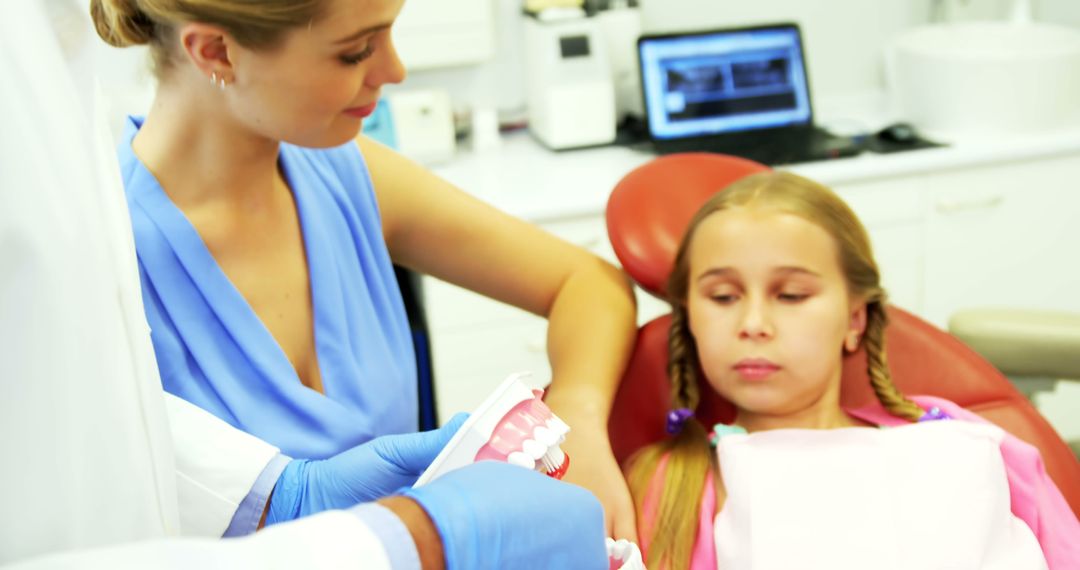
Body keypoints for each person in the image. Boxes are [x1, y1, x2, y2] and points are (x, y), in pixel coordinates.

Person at [1, 1, 609, 568]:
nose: (394, 71)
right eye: (356, 51)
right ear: (216, 53)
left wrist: (579, 413)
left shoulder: (342, 170)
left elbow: (586, 280)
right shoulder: (100, 269)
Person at [623, 171, 1080, 570]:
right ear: (690, 318)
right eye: (723, 297)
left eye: (792, 295)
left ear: (854, 319)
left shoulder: (950, 433)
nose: (753, 325)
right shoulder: (675, 486)